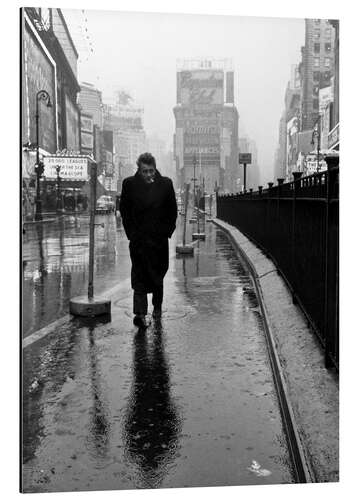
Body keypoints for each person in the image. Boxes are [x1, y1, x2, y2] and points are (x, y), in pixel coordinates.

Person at [119, 152, 177, 328]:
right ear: (139, 169)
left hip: (158, 241)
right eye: (145, 171)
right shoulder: (129, 184)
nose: (148, 175)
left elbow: (172, 210)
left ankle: (157, 307)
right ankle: (140, 314)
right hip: (139, 241)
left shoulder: (165, 184)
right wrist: (132, 234)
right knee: (139, 276)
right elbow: (125, 210)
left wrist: (166, 232)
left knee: (158, 275)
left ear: (155, 168)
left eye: (151, 171)